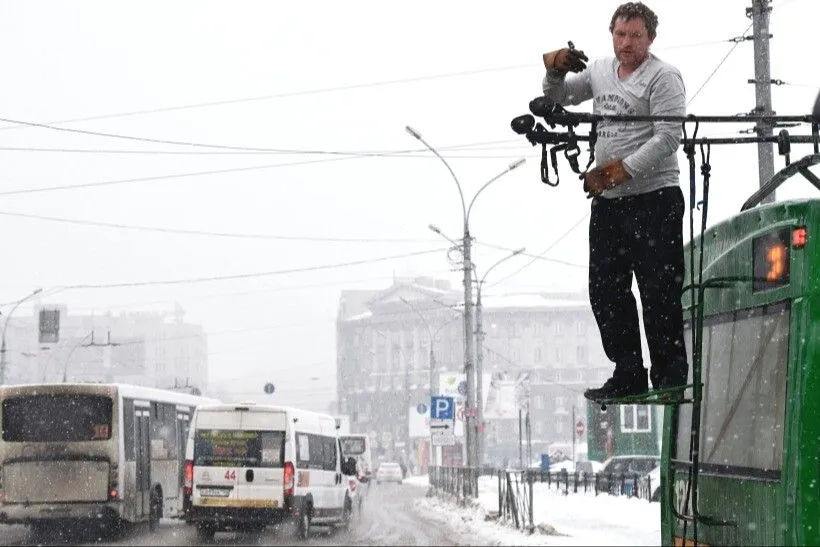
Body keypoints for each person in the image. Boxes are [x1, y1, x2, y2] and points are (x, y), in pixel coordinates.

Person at [541, 2, 688, 399]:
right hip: (610, 203)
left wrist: (616, 171)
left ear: (650, 38)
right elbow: (561, 97)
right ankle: (628, 372)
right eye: (620, 35)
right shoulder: (602, 71)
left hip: (655, 198)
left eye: (635, 36)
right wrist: (555, 68)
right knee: (606, 291)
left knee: (658, 290)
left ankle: (670, 377)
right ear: (612, 35)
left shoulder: (664, 78)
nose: (626, 43)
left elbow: (667, 138)